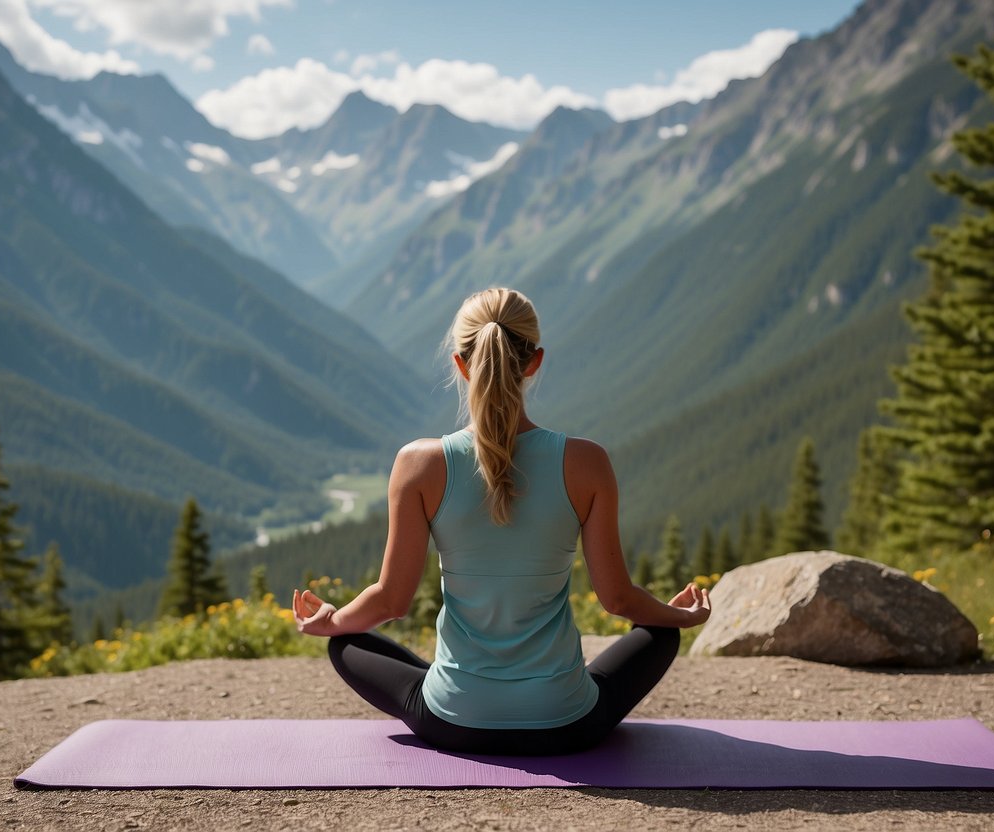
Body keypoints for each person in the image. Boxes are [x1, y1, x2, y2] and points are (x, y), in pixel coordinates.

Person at [293, 287, 710, 755]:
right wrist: (680, 616)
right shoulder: (586, 462)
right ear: (534, 362)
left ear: (460, 363)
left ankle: (454, 687)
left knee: (347, 644)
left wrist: (335, 620)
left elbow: (391, 601)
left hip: (454, 721)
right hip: (567, 724)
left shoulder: (419, 463)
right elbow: (617, 599)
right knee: (660, 634)